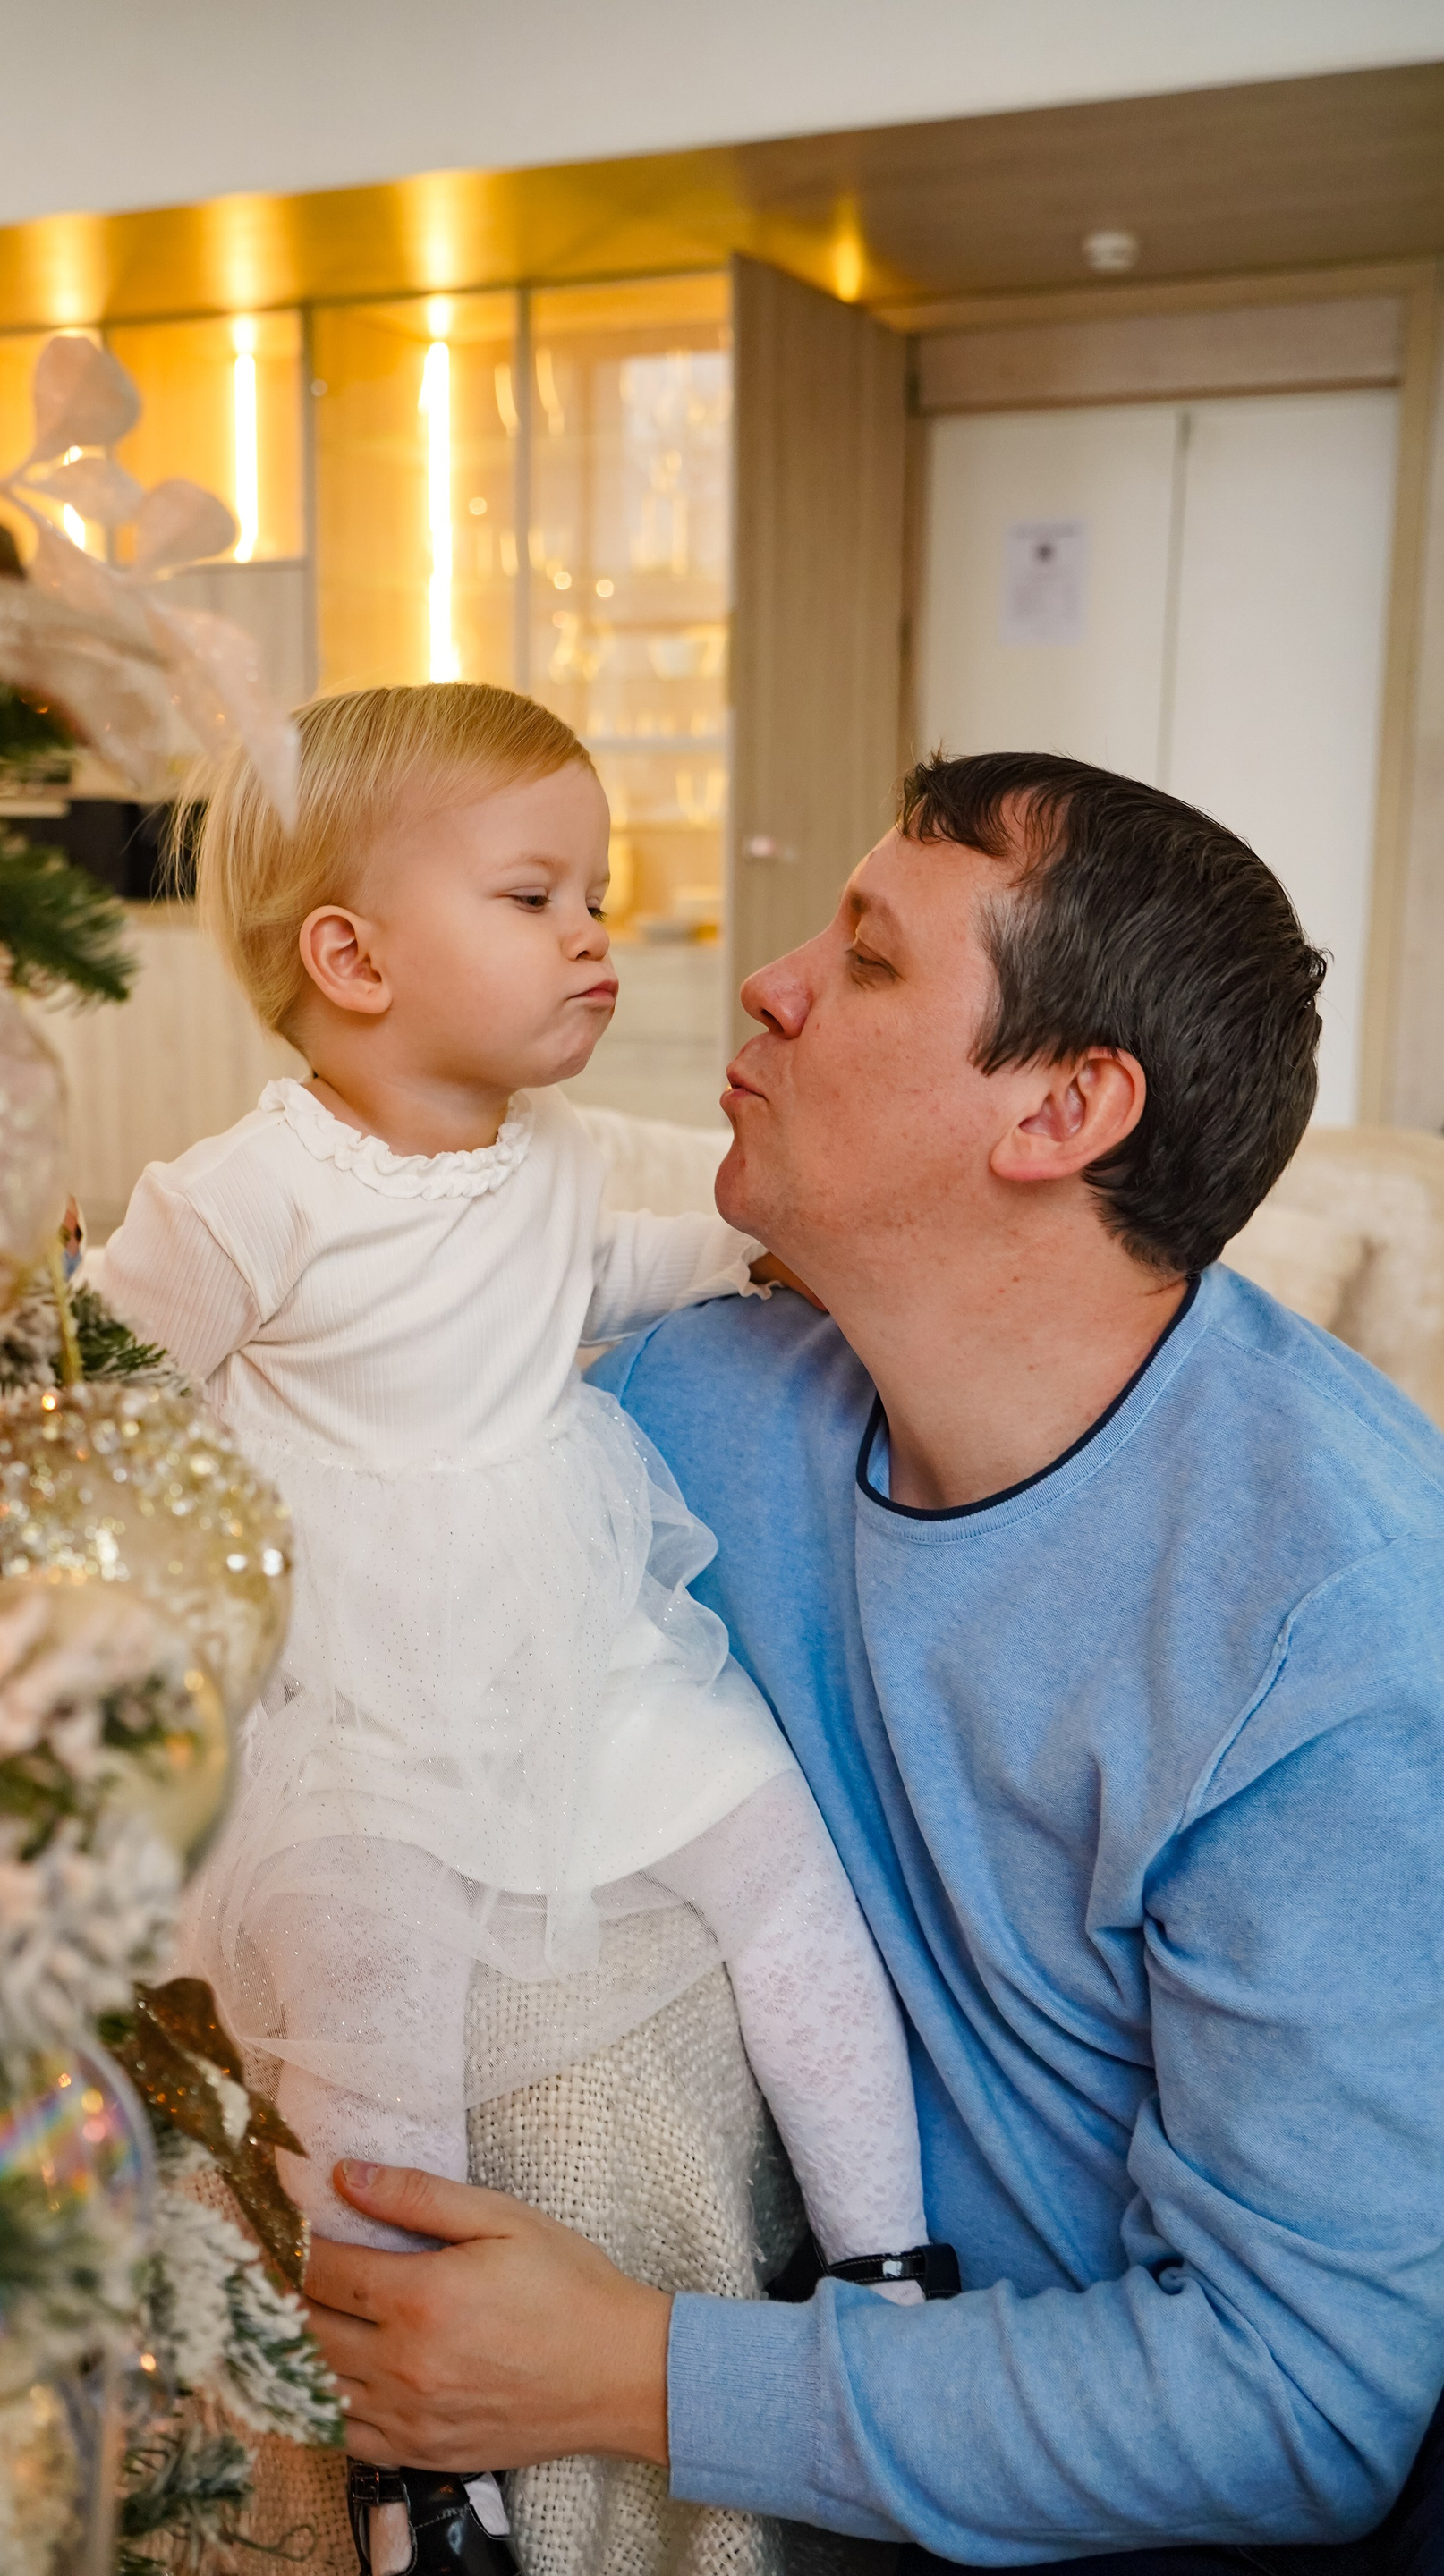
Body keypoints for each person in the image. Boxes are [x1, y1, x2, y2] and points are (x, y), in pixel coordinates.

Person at [298, 751, 1444, 2572]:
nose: (771, 984)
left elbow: (1299, 2407)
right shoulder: (704, 1405)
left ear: (1063, 1108)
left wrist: (633, 2374)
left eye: (871, 958)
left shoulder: (1333, 1631)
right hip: (832, 2369)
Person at [101, 685, 929, 2576]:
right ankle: (409, 2461)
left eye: (596, 897)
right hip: (359, 1676)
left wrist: (756, 1256)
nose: (594, 937)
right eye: (537, 897)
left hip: (579, 1632)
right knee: (373, 2005)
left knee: (781, 1870)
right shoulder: (243, 1197)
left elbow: (612, 1265)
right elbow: (110, 1399)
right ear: (354, 959)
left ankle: (886, 2268)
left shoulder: (549, 1154)